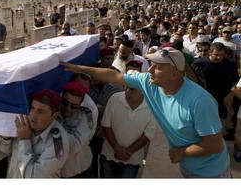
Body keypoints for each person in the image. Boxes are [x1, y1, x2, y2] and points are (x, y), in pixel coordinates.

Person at [60, 46, 231, 178]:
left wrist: (181, 152)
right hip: (187, 165)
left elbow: (214, 144)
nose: (149, 70)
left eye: (157, 67)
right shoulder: (149, 82)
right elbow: (113, 76)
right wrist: (80, 68)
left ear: (174, 75)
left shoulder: (200, 101)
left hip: (210, 172)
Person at [0, 89, 69, 178]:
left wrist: (25, 140)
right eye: (32, 108)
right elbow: (5, 150)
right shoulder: (25, 122)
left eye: (40, 111)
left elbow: (32, 177)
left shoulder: (59, 141)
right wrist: (6, 137)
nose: (33, 115)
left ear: (54, 116)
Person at [100, 70, 156, 178]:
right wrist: (116, 148)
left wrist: (127, 153)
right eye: (126, 86)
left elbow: (148, 135)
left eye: (132, 89)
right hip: (109, 155)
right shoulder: (115, 98)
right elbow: (106, 125)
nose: (127, 90)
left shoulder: (152, 107)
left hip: (132, 160)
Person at [57, 82, 94, 178]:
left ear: (80, 104)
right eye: (65, 103)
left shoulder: (86, 117)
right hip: (54, 169)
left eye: (73, 106)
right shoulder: (53, 111)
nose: (67, 108)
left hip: (75, 170)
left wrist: (55, 125)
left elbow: (75, 146)